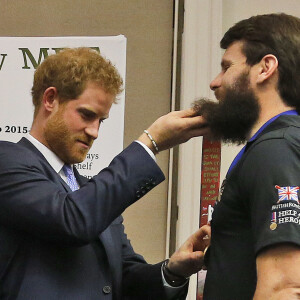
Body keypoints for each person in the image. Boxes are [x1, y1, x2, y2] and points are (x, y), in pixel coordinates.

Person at [0, 48, 211, 299]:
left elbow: (123, 278)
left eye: (101, 121)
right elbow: (71, 220)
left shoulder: (89, 193)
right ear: (50, 99)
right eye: (87, 115)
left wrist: (173, 270)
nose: (94, 132)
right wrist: (149, 144)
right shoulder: (7, 162)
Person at [193, 13, 300, 300]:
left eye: (227, 66)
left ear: (265, 68)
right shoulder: (280, 143)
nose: (215, 83)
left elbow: (285, 287)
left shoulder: (275, 149)